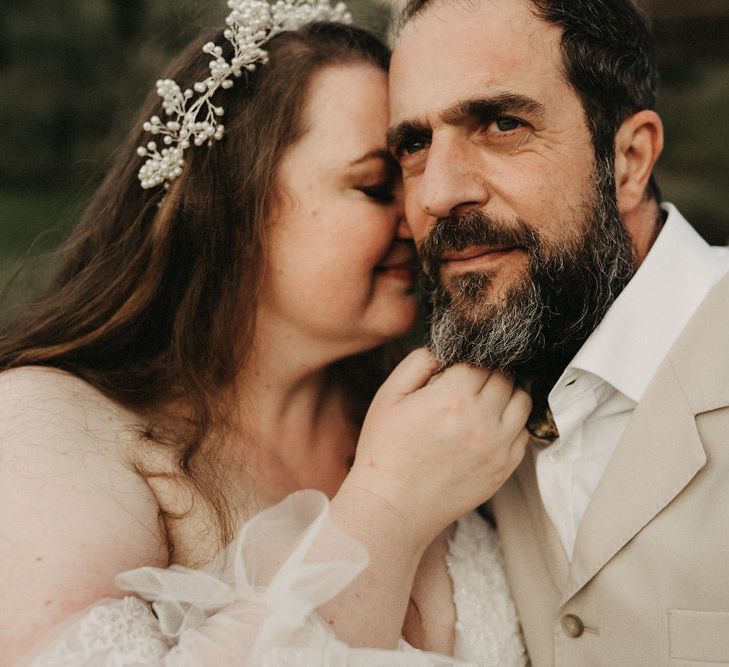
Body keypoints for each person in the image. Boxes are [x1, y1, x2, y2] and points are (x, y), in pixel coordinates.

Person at [0, 1, 532, 664]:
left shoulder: (449, 419)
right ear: (228, 205)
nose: (419, 212)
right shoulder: (51, 425)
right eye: (373, 185)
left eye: (410, 176)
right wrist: (387, 508)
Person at [388, 0, 729, 663]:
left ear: (628, 160)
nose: (436, 193)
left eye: (501, 123)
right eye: (413, 144)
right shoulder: (440, 426)